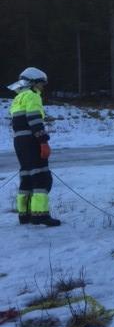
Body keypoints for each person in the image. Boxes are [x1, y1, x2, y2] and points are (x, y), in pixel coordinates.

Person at [7, 67, 60, 226]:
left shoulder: (18, 98)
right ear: (32, 82)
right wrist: (43, 141)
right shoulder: (32, 96)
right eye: (41, 84)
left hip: (19, 142)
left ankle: (24, 215)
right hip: (31, 141)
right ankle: (40, 215)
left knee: (27, 176)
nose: (42, 87)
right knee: (41, 177)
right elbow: (35, 121)